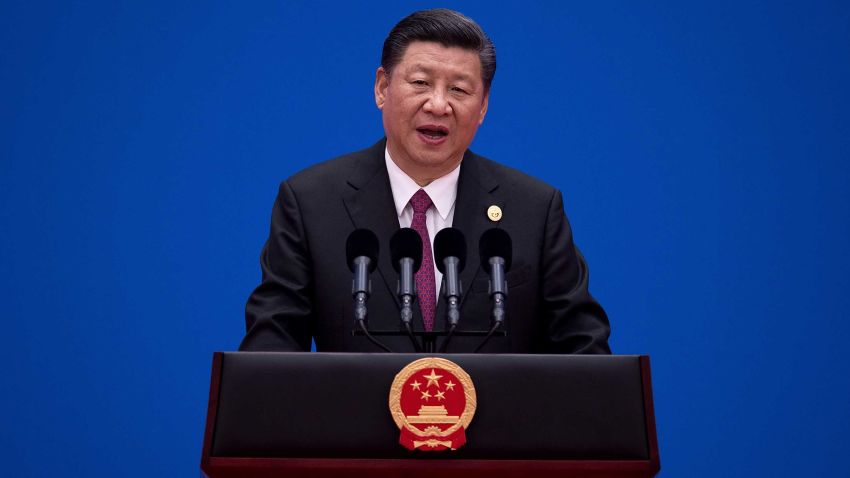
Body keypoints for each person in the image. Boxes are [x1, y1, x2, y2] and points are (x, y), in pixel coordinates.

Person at [239, 9, 611, 354]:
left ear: (482, 106)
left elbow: (585, 350)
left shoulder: (534, 209)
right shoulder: (310, 203)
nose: (438, 104)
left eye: (459, 90)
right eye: (420, 82)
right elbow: (271, 351)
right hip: (353, 426)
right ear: (382, 88)